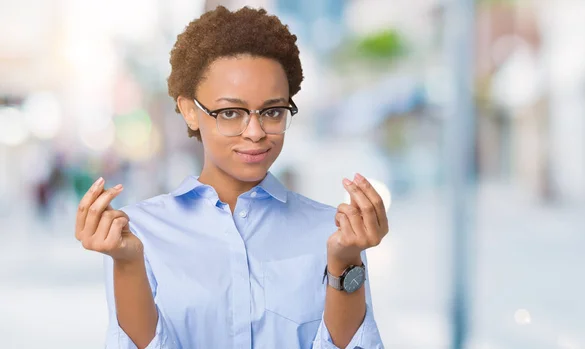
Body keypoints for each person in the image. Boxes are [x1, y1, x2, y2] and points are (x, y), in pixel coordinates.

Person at [75, 6, 388, 349]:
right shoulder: (138, 234)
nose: (255, 132)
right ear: (190, 111)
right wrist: (128, 263)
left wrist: (346, 263)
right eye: (230, 113)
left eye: (272, 111)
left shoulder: (332, 232)